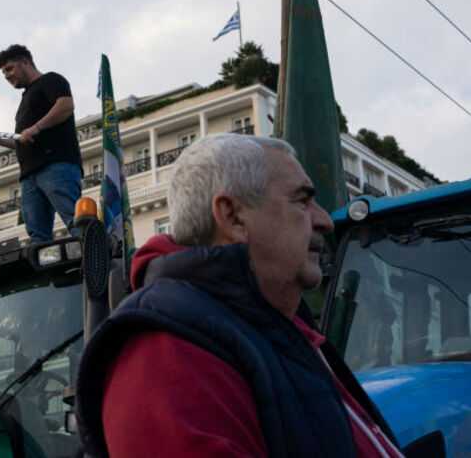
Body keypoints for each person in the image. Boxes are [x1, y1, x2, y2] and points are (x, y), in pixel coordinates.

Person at [76, 135, 405, 457]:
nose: (324, 221)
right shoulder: (165, 353)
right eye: (302, 200)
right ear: (233, 217)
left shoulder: (282, 328)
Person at [0, 45, 82, 243]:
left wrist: (35, 128)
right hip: (29, 175)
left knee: (76, 221)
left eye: (9, 69)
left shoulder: (51, 80)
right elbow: (25, 142)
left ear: (26, 62)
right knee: (37, 236)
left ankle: (99, 262)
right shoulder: (24, 99)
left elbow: (65, 105)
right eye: (3, 72)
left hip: (55, 165)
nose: (6, 75)